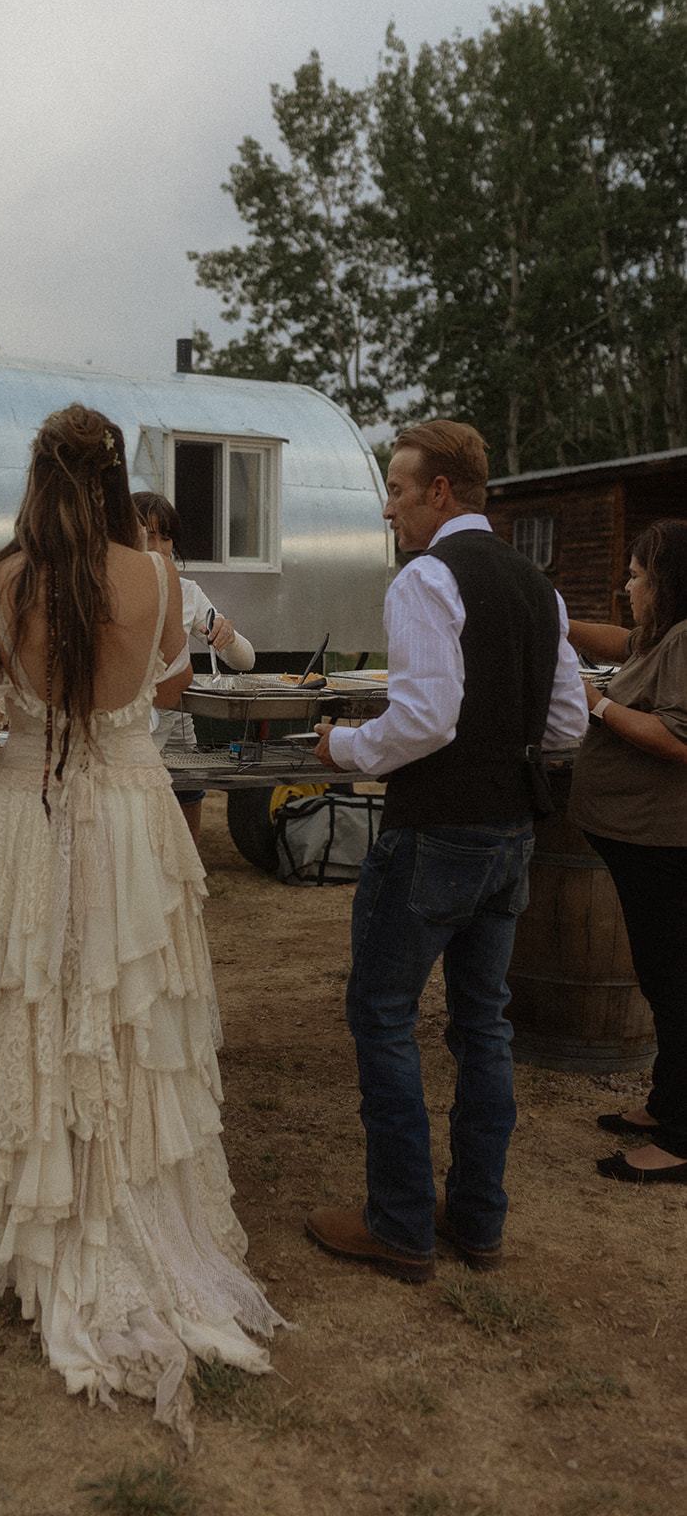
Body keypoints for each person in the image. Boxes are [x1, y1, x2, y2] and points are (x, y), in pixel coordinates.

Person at [0, 404, 282, 1442]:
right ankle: (135, 1213)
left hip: (28, 815)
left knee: (41, 1009)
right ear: (115, 474)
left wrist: (24, 704)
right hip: (132, 818)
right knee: (132, 1024)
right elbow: (171, 680)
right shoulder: (159, 576)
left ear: (35, 473)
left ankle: (56, 1232)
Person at [304, 419, 589, 1282]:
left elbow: (425, 719)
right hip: (510, 836)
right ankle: (475, 1219)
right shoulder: (538, 588)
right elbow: (566, 723)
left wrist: (341, 748)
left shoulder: (425, 577)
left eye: (396, 489)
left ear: (437, 493)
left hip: (433, 836)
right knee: (482, 1027)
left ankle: (397, 1224)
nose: (388, 507)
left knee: (383, 1017)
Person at [567, 519, 687, 1184]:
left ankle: (680, 1138)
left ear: (665, 582)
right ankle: (663, 1105)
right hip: (643, 840)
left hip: (664, 841)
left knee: (673, 985)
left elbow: (677, 737)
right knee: (662, 977)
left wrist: (594, 705)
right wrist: (555, 621)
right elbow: (621, 641)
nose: (626, 586)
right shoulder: (667, 634)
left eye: (638, 575)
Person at [133, 491, 255, 846]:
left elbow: (245, 661)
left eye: (165, 536)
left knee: (185, 854)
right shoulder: (107, 589)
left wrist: (227, 636)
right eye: (147, 536)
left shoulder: (187, 592)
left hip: (179, 737)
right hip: (129, 739)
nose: (158, 547)